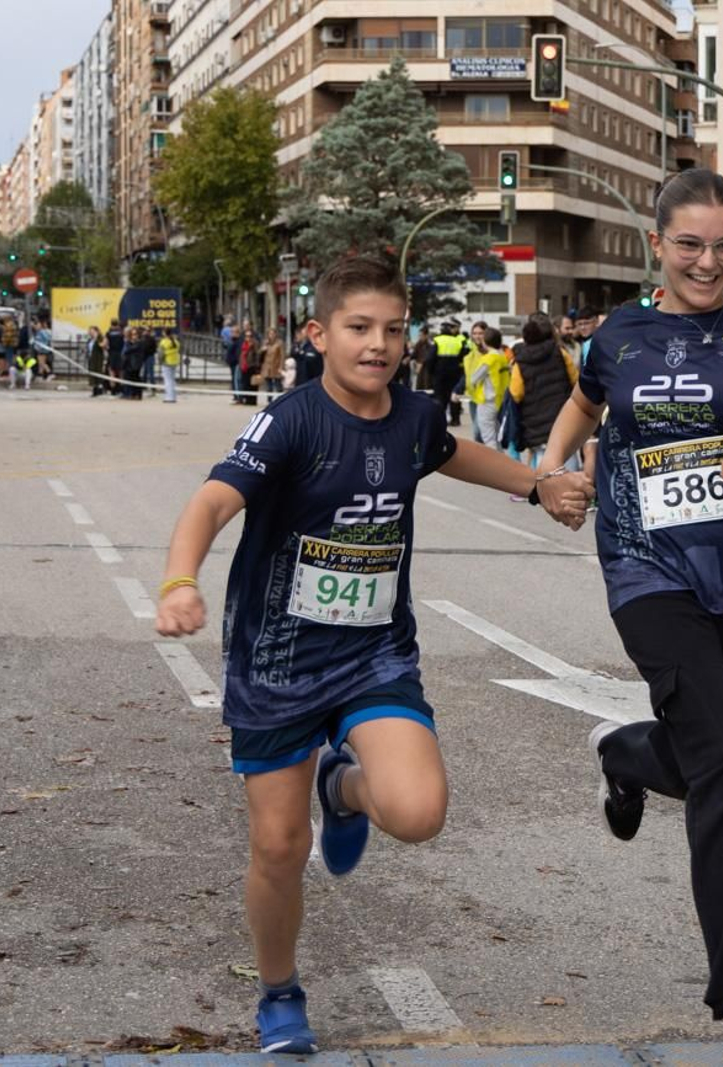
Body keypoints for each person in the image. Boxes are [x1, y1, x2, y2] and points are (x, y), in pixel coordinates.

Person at [151, 255, 589, 1055]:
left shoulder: (414, 416)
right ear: (318, 334)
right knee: (279, 846)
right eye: (359, 328)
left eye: (393, 329)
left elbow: (453, 453)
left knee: (418, 812)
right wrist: (181, 580)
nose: (378, 344)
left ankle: (343, 786)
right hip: (278, 659)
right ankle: (280, 991)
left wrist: (537, 485)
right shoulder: (290, 421)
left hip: (375, 653)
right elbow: (212, 500)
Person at [538, 168, 723, 1063]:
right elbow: (586, 403)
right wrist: (555, 468)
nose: (708, 262)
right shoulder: (620, 336)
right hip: (646, 571)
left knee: (714, 749)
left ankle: (627, 752)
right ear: (657, 244)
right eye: (690, 245)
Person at [508, 312, 574, 470]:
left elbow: (516, 393)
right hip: (562, 415)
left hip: (534, 421)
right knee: (567, 454)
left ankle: (538, 490)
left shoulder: (520, 361)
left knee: (541, 455)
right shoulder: (560, 353)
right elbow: (575, 380)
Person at [468, 326, 512, 449]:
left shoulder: (488, 358)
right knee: (496, 436)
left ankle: (495, 464)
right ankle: (501, 461)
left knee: (488, 437)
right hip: (499, 400)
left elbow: (474, 378)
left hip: (486, 400)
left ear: (485, 341)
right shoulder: (502, 357)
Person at [429, 319, 465, 425]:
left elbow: (430, 359)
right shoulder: (457, 341)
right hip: (455, 373)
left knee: (440, 396)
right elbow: (463, 357)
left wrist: (431, 372)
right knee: (454, 396)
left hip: (439, 374)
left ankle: (440, 419)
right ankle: (455, 419)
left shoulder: (437, 340)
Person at [159, 328, 181, 402]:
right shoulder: (176, 341)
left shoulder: (164, 342)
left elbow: (160, 354)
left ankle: (169, 397)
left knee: (167, 380)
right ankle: (173, 396)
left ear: (164, 333)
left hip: (166, 362)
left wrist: (160, 361)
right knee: (172, 380)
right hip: (174, 361)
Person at [86, 326, 107, 396]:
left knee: (98, 373)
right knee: (92, 374)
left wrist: (97, 339)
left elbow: (102, 346)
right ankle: (94, 389)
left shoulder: (100, 338)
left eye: (92, 331)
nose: (90, 333)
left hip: (98, 359)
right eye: (90, 331)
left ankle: (99, 389)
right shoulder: (90, 340)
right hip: (91, 358)